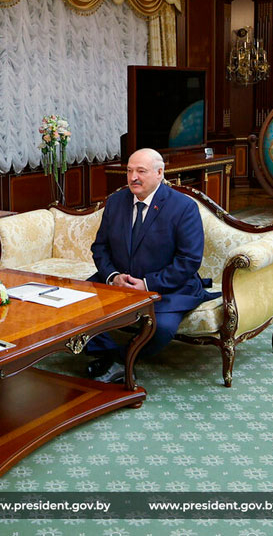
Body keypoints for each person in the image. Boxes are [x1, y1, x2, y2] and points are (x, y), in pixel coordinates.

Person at [85, 148, 219, 382]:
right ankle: (112, 358)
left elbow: (188, 260)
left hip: (168, 287)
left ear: (159, 173)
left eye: (141, 171)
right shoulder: (116, 202)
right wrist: (113, 276)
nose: (133, 177)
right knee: (76, 306)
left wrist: (147, 284)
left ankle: (118, 360)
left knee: (162, 327)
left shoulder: (183, 207)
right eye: (129, 171)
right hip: (118, 283)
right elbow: (100, 247)